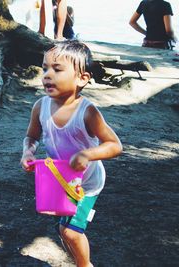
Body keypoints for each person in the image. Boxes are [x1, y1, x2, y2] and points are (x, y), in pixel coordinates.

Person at [20, 40, 122, 266]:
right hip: (60, 179)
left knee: (71, 232)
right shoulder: (40, 106)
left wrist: (87, 155)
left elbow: (115, 145)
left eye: (57, 70)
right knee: (63, 226)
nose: (47, 75)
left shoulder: (87, 113)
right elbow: (32, 137)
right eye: (45, 68)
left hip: (87, 183)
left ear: (82, 78)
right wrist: (28, 152)